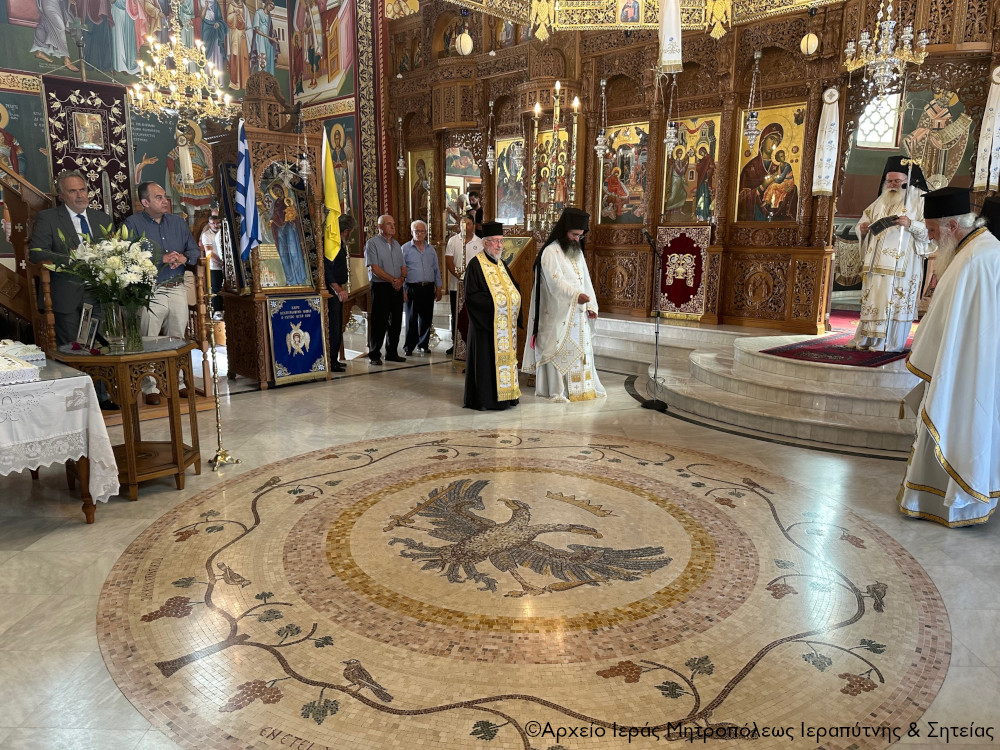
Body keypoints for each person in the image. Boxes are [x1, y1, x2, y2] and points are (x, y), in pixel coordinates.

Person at [897, 187, 1000, 527]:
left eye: (931, 230)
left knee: (958, 423)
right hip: (969, 362)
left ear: (952, 226)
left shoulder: (974, 259)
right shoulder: (980, 248)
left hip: (965, 367)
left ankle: (954, 502)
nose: (929, 238)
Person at [28, 170, 116, 409]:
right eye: (73, 191)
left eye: (83, 189)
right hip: (65, 294)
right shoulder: (48, 218)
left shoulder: (102, 219)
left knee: (98, 345)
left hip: (97, 294)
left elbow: (114, 250)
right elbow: (36, 252)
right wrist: (72, 259)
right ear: (62, 196)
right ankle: (78, 402)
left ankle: (101, 397)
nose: (80, 195)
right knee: (73, 349)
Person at [123, 181, 201, 405]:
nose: (165, 201)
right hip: (150, 290)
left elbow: (194, 250)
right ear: (145, 202)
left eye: (165, 196)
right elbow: (127, 257)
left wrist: (184, 258)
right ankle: (150, 387)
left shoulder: (178, 222)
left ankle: (178, 382)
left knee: (177, 337)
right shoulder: (132, 224)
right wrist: (161, 259)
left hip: (176, 287)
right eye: (158, 197)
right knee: (149, 338)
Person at [521, 207, 606, 403]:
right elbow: (555, 283)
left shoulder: (577, 252)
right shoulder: (550, 252)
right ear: (564, 230)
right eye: (574, 234)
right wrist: (576, 296)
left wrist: (591, 305)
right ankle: (559, 391)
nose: (577, 239)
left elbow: (585, 280)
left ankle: (582, 389)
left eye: (580, 236)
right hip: (558, 315)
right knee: (559, 349)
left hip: (578, 313)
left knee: (580, 350)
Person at [850, 156, 931, 352]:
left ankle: (890, 343)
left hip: (901, 264)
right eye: (889, 181)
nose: (892, 185)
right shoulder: (881, 199)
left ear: (908, 180)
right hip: (875, 263)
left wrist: (911, 224)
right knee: (873, 299)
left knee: (893, 300)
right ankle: (866, 339)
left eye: (897, 181)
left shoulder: (920, 198)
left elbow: (931, 231)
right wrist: (863, 228)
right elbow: (865, 219)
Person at [463, 222, 521, 411]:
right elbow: (472, 297)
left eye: (501, 241)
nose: (499, 245)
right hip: (486, 325)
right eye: (495, 241)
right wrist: (498, 304)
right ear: (485, 243)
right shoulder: (475, 264)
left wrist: (513, 298)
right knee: (486, 363)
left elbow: (512, 287)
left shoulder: (501, 264)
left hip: (503, 325)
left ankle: (508, 397)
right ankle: (486, 400)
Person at [364, 214, 406, 365]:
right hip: (381, 287)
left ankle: (392, 352)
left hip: (397, 286)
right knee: (380, 321)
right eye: (389, 224)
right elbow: (374, 268)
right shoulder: (372, 243)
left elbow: (403, 266)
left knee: (396, 321)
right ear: (380, 227)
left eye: (393, 223)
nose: (393, 227)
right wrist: (393, 280)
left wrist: (401, 279)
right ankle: (374, 354)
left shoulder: (397, 245)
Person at [736, 123, 797, 221]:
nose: (774, 143)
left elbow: (789, 186)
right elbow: (740, 200)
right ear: (763, 140)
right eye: (772, 138)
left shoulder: (781, 166)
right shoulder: (750, 167)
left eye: (777, 141)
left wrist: (789, 188)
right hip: (755, 218)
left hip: (776, 217)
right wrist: (762, 186)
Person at [401, 220, 442, 355]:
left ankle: (423, 344)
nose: (419, 234)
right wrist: (402, 290)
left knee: (426, 318)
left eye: (422, 231)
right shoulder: (405, 249)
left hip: (428, 287)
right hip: (412, 287)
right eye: (416, 231)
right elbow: (400, 270)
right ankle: (409, 347)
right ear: (411, 232)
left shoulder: (431, 250)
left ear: (426, 233)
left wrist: (438, 287)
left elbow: (436, 269)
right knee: (411, 318)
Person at [445, 215, 483, 355]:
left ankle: (472, 343)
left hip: (474, 287)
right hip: (456, 285)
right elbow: (449, 261)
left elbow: (481, 264)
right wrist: (459, 276)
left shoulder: (480, 242)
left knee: (472, 314)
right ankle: (456, 343)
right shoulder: (453, 241)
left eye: (468, 223)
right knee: (456, 315)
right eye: (462, 224)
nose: (465, 227)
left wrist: (470, 279)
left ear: (473, 225)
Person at [325, 214, 354, 373]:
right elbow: (327, 269)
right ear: (346, 231)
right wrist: (338, 288)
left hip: (337, 288)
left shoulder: (338, 243)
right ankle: (331, 360)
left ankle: (334, 359)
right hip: (332, 290)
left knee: (337, 325)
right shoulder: (332, 244)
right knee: (334, 326)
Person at [199, 210, 224, 319]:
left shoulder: (223, 232)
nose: (215, 225)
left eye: (217, 223)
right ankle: (217, 310)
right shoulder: (206, 235)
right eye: (213, 223)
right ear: (209, 224)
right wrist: (220, 262)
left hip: (227, 265)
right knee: (216, 288)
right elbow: (209, 251)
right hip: (215, 265)